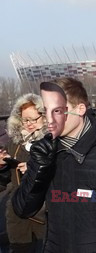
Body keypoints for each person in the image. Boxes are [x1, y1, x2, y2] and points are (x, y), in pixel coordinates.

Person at [12, 78, 96, 253]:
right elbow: (22, 210)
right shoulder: (44, 151)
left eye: (58, 111)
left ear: (80, 109)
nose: (50, 120)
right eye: (46, 111)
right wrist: (38, 169)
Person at [0, 94, 47, 252]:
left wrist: (34, 168)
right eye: (25, 120)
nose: (30, 124)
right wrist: (2, 162)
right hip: (17, 211)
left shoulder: (52, 141)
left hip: (43, 210)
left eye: (34, 119)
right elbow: (6, 176)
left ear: (44, 115)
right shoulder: (16, 142)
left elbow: (63, 171)